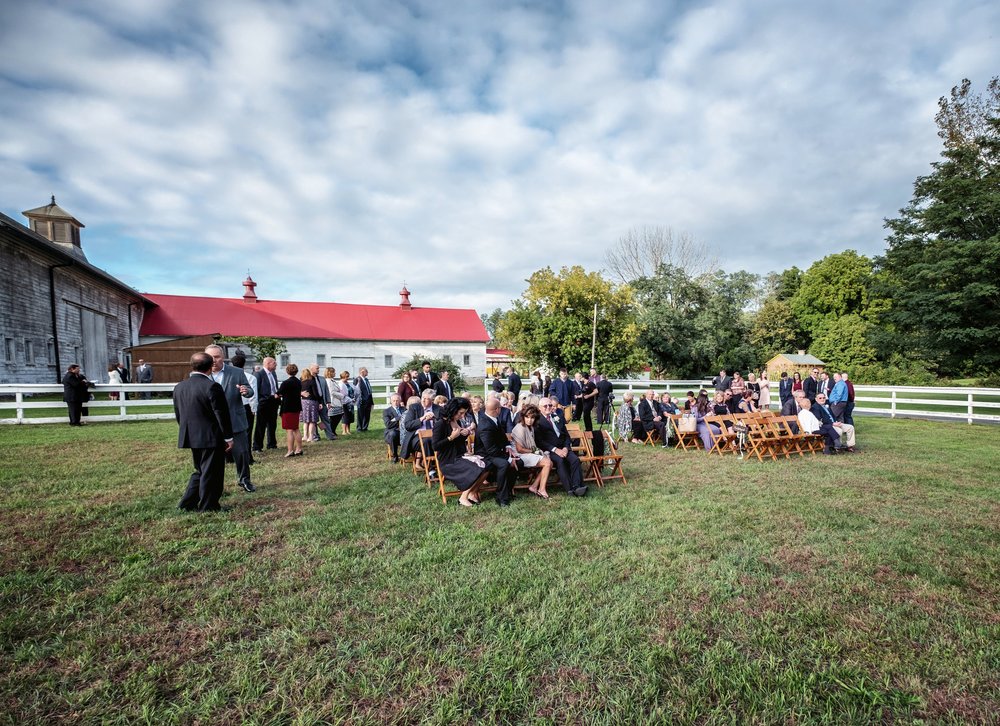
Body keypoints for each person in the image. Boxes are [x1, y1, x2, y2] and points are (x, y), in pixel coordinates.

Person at [174, 352, 234, 513]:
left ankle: (187, 503)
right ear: (210, 367)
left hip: (191, 434)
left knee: (201, 470)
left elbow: (179, 414)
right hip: (210, 436)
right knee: (212, 472)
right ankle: (209, 506)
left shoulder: (180, 386)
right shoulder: (212, 386)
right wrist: (228, 437)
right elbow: (221, 414)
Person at [205, 344, 255, 493]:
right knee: (213, 458)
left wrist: (246, 391)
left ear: (223, 357)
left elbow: (249, 390)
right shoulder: (202, 374)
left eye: (217, 356)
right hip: (211, 422)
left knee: (241, 453)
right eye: (210, 357)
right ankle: (214, 485)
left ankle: (244, 480)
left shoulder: (237, 372)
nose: (214, 360)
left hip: (235, 419)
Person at [433, 397, 493, 508]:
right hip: (448, 460)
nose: (462, 416)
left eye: (464, 413)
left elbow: (458, 441)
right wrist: (451, 437)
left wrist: (464, 434)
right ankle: (463, 497)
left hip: (460, 455)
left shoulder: (457, 421)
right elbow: (436, 446)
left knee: (488, 464)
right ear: (453, 410)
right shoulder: (440, 424)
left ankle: (471, 492)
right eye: (460, 413)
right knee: (476, 468)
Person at [534, 398, 588, 497]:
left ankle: (577, 487)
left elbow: (566, 435)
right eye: (545, 406)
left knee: (575, 459)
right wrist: (555, 450)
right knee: (560, 461)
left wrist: (566, 448)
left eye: (550, 405)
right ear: (539, 408)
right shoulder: (537, 421)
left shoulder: (557, 417)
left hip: (563, 448)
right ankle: (570, 489)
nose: (548, 407)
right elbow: (540, 442)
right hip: (549, 450)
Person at [475, 396, 519, 507]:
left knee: (518, 462)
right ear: (497, 409)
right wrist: (509, 458)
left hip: (496, 452)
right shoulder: (485, 424)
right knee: (504, 464)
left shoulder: (493, 418)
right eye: (501, 407)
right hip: (485, 455)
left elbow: (502, 436)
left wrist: (508, 446)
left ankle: (508, 492)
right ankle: (501, 497)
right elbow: (491, 450)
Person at [511, 403, 553, 498]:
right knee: (547, 462)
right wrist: (535, 451)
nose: (529, 420)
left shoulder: (530, 428)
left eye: (532, 418)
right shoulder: (520, 428)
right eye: (527, 417)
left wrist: (536, 451)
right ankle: (542, 489)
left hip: (527, 453)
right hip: (519, 456)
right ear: (523, 416)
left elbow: (531, 447)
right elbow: (519, 449)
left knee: (549, 462)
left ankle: (534, 486)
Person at [402, 389, 440, 466]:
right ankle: (431, 468)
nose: (423, 400)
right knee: (427, 441)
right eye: (423, 398)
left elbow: (444, 424)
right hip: (416, 438)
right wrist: (422, 418)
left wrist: (434, 419)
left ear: (432, 400)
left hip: (435, 435)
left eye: (427, 399)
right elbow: (408, 425)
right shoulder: (414, 408)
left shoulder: (438, 409)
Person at [231, 353, 257, 462]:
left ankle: (230, 456)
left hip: (232, 406)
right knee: (247, 432)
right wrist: (253, 409)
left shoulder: (229, 376)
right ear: (244, 364)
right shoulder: (250, 377)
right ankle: (248, 457)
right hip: (245, 407)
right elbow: (253, 395)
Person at [253, 357, 281, 452]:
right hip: (264, 403)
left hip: (274, 403)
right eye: (274, 363)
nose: (276, 365)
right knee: (261, 425)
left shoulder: (273, 373)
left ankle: (272, 444)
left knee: (272, 424)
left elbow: (274, 387)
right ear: (268, 363)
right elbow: (256, 390)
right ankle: (257, 446)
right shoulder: (259, 374)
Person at [277, 363, 303, 457]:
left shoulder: (286, 383)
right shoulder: (298, 382)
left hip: (288, 407)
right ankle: (299, 449)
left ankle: (290, 450)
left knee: (289, 430)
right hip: (296, 406)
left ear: (287, 371)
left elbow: (278, 394)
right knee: (296, 428)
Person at [309, 363, 335, 441]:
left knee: (326, 419)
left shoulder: (322, 379)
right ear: (311, 369)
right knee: (314, 421)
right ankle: (315, 436)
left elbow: (326, 390)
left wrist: (328, 401)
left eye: (318, 368)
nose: (318, 369)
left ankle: (330, 436)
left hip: (322, 402)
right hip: (312, 403)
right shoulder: (307, 378)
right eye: (317, 368)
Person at [382, 393, 406, 462]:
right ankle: (395, 455)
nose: (395, 402)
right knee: (393, 434)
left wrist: (395, 419)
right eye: (393, 401)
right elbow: (388, 424)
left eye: (397, 400)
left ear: (400, 401)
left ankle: (406, 454)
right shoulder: (386, 411)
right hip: (392, 433)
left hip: (404, 431)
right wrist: (399, 419)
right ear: (391, 401)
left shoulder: (404, 409)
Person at [299, 368, 319, 444]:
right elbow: (315, 393)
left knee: (305, 421)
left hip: (303, 401)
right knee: (312, 421)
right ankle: (311, 437)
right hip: (312, 401)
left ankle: (305, 436)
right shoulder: (311, 382)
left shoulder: (301, 382)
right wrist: (319, 400)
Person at [324, 367, 343, 436]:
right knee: (334, 417)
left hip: (337, 401)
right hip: (332, 401)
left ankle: (333, 430)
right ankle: (331, 431)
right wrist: (341, 395)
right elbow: (331, 392)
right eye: (333, 372)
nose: (335, 373)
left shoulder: (332, 380)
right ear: (330, 373)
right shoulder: (328, 381)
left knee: (338, 416)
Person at [354, 367, 374, 431]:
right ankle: (359, 428)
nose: (367, 373)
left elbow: (369, 390)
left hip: (368, 400)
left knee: (367, 414)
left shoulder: (367, 380)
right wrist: (360, 399)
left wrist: (372, 402)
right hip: (361, 400)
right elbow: (356, 391)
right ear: (362, 372)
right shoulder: (357, 379)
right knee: (360, 415)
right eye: (366, 371)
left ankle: (365, 427)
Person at [339, 370, 356, 435]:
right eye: (346, 377)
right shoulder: (341, 384)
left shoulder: (348, 383)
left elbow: (353, 390)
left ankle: (348, 430)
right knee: (345, 417)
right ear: (343, 377)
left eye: (348, 376)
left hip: (350, 402)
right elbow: (342, 394)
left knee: (349, 416)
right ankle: (344, 431)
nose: (347, 378)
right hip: (344, 402)